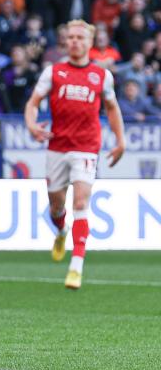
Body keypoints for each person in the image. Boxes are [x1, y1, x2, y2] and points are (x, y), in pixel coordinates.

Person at [24, 20, 125, 290]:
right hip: (57, 147)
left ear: (90, 43)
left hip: (86, 146)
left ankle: (76, 266)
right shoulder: (53, 72)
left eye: (80, 37)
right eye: (70, 37)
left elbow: (112, 108)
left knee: (81, 202)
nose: (74, 42)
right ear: (64, 42)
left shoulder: (102, 76)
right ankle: (61, 230)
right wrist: (32, 125)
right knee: (57, 206)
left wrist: (120, 139)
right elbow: (32, 104)